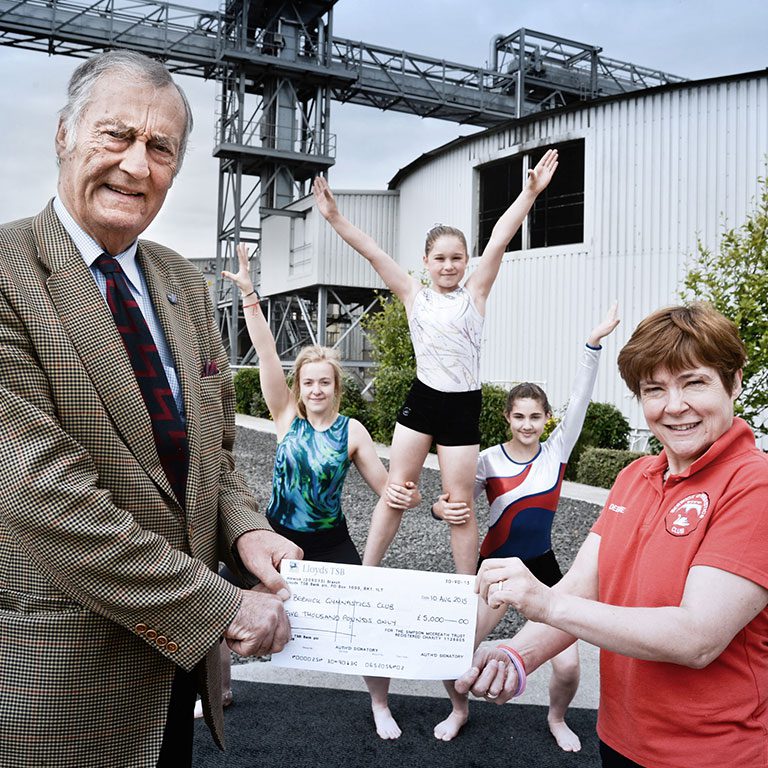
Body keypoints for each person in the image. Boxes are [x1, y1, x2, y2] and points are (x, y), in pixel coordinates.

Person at [0, 50, 302, 768]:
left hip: (177, 676)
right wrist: (222, 605)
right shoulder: (7, 273)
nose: (137, 165)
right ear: (64, 135)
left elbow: (214, 454)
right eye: (116, 135)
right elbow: (37, 492)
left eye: (159, 147)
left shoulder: (182, 283)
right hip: (63, 680)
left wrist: (246, 531)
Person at [455, 303, 768, 768]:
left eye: (694, 382)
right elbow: (585, 586)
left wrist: (543, 602)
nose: (674, 406)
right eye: (654, 389)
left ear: (734, 381)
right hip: (619, 737)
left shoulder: (754, 486)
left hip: (711, 754)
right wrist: (515, 654)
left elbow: (696, 637)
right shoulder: (634, 477)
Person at [313, 151, 558, 739]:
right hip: (423, 401)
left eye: (456, 258)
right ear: (425, 263)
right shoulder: (414, 294)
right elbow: (372, 253)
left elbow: (500, 238)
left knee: (458, 505)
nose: (449, 265)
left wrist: (529, 195)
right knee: (396, 491)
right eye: (439, 258)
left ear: (465, 263)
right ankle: (368, 571)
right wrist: (334, 219)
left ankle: (464, 583)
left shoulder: (476, 291)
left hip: (462, 406)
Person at [431, 303, 619, 746]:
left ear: (547, 418)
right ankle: (459, 710)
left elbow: (582, 396)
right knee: (450, 651)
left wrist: (592, 345)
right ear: (507, 418)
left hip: (543, 567)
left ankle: (556, 718)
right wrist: (441, 510)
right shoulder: (488, 461)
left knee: (570, 664)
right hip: (493, 568)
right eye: (519, 416)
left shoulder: (556, 451)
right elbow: (452, 504)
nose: (528, 424)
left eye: (536, 416)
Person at [222, 243, 421, 566]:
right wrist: (248, 294)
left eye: (324, 382)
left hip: (331, 543)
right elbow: (267, 351)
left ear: (335, 387)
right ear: (298, 387)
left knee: (356, 606)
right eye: (309, 382)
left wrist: (411, 497)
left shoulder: (351, 431)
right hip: (278, 534)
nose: (316, 390)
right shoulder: (287, 414)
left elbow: (387, 489)